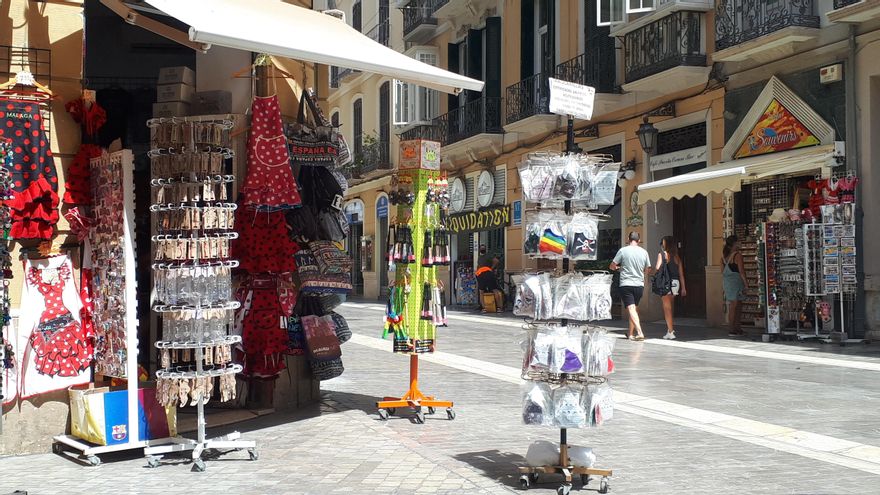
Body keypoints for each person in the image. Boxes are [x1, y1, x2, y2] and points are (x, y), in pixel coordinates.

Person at [610, 232, 652, 341]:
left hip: (626, 283)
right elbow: (648, 269)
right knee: (633, 309)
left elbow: (612, 266)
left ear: (628, 239)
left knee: (631, 309)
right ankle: (630, 334)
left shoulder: (623, 251)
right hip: (639, 285)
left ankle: (640, 332)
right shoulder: (644, 252)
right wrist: (643, 276)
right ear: (639, 240)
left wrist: (618, 268)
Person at [655, 236, 686, 340]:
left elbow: (657, 268)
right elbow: (681, 274)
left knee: (667, 308)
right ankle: (669, 330)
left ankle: (671, 331)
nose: (662, 245)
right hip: (676, 284)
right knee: (669, 308)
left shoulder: (662, 255)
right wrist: (683, 288)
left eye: (663, 243)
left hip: (666, 283)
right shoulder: (677, 257)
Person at [722, 235, 749, 336]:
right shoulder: (737, 255)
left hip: (728, 284)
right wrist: (746, 284)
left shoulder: (724, 257)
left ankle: (735, 328)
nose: (740, 243)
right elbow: (742, 271)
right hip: (736, 283)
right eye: (738, 241)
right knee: (736, 306)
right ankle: (733, 329)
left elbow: (722, 272)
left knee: (734, 305)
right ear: (734, 244)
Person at [476, 245, 503, 312]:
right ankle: (499, 308)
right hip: (487, 274)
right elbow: (496, 261)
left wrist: (491, 268)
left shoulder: (480, 257)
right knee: (495, 290)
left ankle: (484, 308)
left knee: (481, 292)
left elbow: (478, 266)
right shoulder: (487, 256)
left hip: (480, 275)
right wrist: (491, 268)